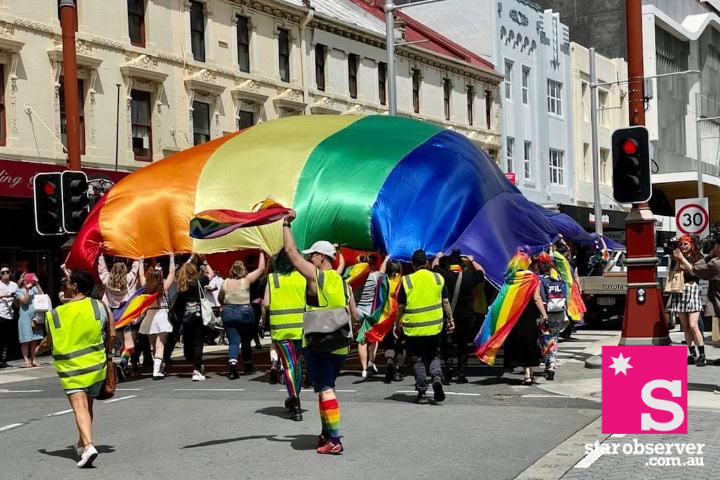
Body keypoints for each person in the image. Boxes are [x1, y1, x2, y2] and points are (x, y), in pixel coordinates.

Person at [283, 209, 357, 454]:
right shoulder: (342, 281)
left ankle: (334, 440)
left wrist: (286, 225)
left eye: (312, 255)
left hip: (318, 343)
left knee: (324, 388)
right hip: (340, 344)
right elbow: (353, 314)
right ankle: (327, 433)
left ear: (321, 257)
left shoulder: (317, 278)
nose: (309, 258)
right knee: (328, 387)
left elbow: (291, 254)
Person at [37, 269, 115, 468]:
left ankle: (88, 446)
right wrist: (108, 355)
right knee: (87, 407)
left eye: (68, 282)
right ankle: (81, 442)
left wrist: (37, 349)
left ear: (75, 287)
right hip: (97, 366)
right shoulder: (99, 306)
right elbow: (112, 334)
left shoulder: (55, 314)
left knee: (79, 407)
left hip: (71, 368)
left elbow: (48, 342)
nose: (65, 285)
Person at [395, 250, 454, 404]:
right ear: (427, 263)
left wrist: (397, 324)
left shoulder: (406, 280)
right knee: (434, 355)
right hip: (434, 326)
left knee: (417, 359)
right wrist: (450, 319)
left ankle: (421, 391)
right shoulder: (438, 278)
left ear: (413, 265)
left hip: (413, 328)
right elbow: (445, 302)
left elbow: (401, 306)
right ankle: (436, 377)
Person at [263, 249, 307, 421]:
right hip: (301, 328)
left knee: (288, 365)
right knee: (297, 365)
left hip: (281, 329)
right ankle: (295, 400)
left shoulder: (273, 279)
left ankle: (294, 403)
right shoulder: (302, 277)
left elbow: (266, 304)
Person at [432, 250, 485, 384]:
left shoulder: (443, 275)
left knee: (446, 343)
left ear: (449, 264)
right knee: (463, 346)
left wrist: (438, 257)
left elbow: (434, 267)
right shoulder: (469, 276)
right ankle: (461, 374)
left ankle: (449, 366)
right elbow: (482, 272)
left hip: (448, 315)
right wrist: (472, 260)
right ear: (461, 264)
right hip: (466, 317)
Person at [502, 252, 547, 385]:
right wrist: (544, 314)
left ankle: (529, 373)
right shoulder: (533, 278)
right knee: (530, 342)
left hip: (514, 314)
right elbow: (537, 298)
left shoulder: (510, 278)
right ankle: (527, 375)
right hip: (529, 313)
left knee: (521, 343)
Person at [219, 256, 266, 378]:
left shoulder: (225, 282)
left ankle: (233, 366)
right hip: (244, 312)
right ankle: (247, 364)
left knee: (233, 342)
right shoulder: (246, 281)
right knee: (245, 340)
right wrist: (261, 252)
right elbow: (261, 269)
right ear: (243, 270)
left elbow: (220, 299)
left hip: (228, 311)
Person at [97, 254, 139, 377]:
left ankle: (124, 368)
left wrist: (100, 256)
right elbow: (135, 269)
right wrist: (137, 256)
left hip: (112, 315)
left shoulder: (107, 279)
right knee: (130, 344)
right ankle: (123, 362)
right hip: (125, 313)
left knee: (121, 343)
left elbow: (102, 269)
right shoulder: (128, 279)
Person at [671, 235, 711, 366]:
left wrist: (683, 259)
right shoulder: (676, 256)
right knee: (686, 327)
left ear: (691, 244)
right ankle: (692, 354)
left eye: (685, 244)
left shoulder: (698, 257)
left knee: (694, 325)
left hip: (693, 289)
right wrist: (677, 261)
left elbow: (694, 273)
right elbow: (674, 273)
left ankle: (702, 355)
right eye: (681, 244)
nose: (683, 246)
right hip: (680, 290)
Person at [175, 257, 214, 380]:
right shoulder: (199, 281)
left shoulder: (182, 285)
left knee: (189, 341)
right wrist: (205, 262)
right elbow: (211, 273)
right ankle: (196, 370)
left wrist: (190, 258)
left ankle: (194, 361)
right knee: (198, 343)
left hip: (186, 316)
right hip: (198, 315)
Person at [138, 257, 176, 380]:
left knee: (154, 345)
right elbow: (172, 273)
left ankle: (159, 367)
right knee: (160, 345)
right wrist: (171, 257)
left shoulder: (145, 287)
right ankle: (156, 370)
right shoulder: (164, 287)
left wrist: (140, 261)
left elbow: (141, 275)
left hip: (149, 316)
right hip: (161, 315)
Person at [536, 254, 566, 381]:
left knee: (544, 341)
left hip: (546, 315)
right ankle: (552, 364)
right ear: (549, 270)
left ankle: (549, 364)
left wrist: (543, 315)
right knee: (554, 339)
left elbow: (541, 300)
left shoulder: (540, 281)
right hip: (559, 314)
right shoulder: (558, 281)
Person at [355, 254, 381, 379]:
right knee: (373, 338)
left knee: (362, 339)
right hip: (370, 311)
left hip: (358, 311)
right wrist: (385, 258)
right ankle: (371, 361)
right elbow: (384, 272)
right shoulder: (375, 276)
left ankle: (364, 368)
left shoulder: (355, 277)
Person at [15, 273, 44, 368]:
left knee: (34, 340)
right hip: (24, 318)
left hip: (35, 316)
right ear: (22, 280)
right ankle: (26, 360)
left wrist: (37, 284)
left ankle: (34, 360)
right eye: (25, 278)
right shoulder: (19, 291)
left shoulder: (34, 289)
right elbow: (25, 301)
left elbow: (41, 295)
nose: (27, 280)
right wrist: (27, 290)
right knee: (26, 340)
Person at [0, 264, 18, 368]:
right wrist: (5, 295)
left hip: (10, 314)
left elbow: (16, 302)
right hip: (0, 313)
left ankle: (3, 360)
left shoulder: (14, 285)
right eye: (3, 273)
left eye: (7, 272)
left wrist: (15, 299)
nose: (6, 274)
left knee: (6, 338)